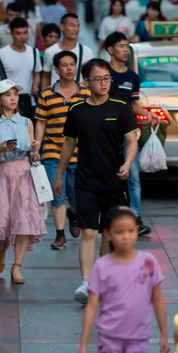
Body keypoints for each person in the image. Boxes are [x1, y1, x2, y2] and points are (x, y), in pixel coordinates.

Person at [54, 59, 139, 305]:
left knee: (109, 234)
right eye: (98, 79)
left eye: (107, 79)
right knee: (89, 231)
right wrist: (59, 175)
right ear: (86, 82)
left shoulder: (120, 106)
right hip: (86, 180)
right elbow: (68, 144)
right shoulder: (77, 110)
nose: (103, 83)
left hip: (114, 180)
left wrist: (128, 163)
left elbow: (132, 140)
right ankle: (86, 282)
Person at [76, 207, 169, 353]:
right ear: (108, 234)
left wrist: (164, 334)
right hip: (109, 340)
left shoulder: (148, 262)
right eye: (119, 232)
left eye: (131, 231)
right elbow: (92, 306)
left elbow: (158, 299)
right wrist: (84, 343)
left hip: (139, 340)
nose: (126, 236)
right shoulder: (102, 267)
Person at [0, 79, 46, 284]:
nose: (13, 98)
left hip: (24, 173)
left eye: (15, 94)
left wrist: (35, 150)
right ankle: (1, 251)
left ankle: (17, 267)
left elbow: (33, 155)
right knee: (1, 219)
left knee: (23, 220)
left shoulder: (27, 122)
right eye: (8, 95)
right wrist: (0, 149)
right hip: (2, 174)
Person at [35, 50, 87, 250]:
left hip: (79, 153)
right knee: (57, 194)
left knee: (75, 195)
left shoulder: (86, 93)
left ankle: (73, 213)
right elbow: (41, 122)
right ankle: (59, 235)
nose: (69, 68)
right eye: (64, 65)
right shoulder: (47, 94)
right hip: (52, 151)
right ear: (56, 70)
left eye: (72, 64)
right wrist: (37, 148)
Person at [106, 32, 157, 235]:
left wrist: (147, 114)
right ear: (111, 50)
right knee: (109, 175)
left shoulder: (132, 77)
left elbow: (133, 104)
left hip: (128, 132)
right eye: (121, 46)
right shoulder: (103, 73)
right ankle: (110, 216)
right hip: (107, 133)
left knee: (133, 175)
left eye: (128, 46)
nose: (126, 50)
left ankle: (136, 217)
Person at [0, 17, 41, 118]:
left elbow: (37, 72)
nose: (22, 37)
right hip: (8, 103)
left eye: (25, 33)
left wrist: (35, 86)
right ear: (11, 34)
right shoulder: (1, 53)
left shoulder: (34, 52)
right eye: (18, 33)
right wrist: (1, 94)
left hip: (28, 102)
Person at [42, 14, 93, 86]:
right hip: (56, 95)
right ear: (62, 27)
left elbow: (91, 76)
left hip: (79, 95)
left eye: (78, 26)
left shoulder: (87, 51)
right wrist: (44, 95)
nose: (76, 29)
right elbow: (46, 76)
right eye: (72, 25)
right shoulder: (50, 51)